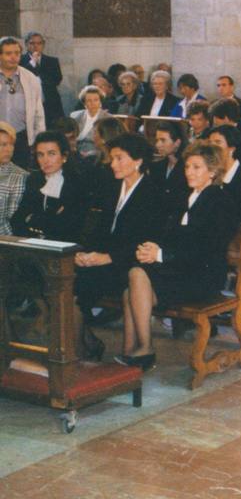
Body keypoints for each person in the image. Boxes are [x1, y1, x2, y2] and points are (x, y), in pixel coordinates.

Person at [120, 141, 239, 370]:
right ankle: (130, 351)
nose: (189, 172)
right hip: (181, 269)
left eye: (196, 167)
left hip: (203, 277)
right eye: (187, 167)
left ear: (212, 172)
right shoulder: (187, 197)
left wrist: (162, 255)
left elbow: (206, 248)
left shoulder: (221, 202)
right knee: (131, 287)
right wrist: (153, 248)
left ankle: (145, 348)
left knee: (136, 275)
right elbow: (171, 236)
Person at [73, 133, 161, 360]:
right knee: (68, 282)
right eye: (112, 158)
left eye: (119, 158)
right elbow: (101, 229)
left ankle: (86, 349)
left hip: (130, 262)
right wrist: (86, 252)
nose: (113, 164)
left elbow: (144, 240)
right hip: (108, 259)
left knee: (85, 284)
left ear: (138, 160)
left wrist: (107, 257)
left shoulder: (153, 192)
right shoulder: (112, 186)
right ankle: (83, 345)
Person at [12, 130, 88, 242]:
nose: (45, 160)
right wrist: (52, 218)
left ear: (64, 156)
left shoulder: (76, 182)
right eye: (40, 155)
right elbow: (17, 219)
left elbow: (70, 226)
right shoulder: (34, 179)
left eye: (51, 153)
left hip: (64, 247)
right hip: (31, 243)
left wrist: (33, 219)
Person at [0, 36, 45, 167]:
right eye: (8, 53)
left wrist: (39, 141)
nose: (13, 57)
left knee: (21, 177)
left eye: (17, 53)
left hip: (21, 138)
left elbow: (38, 114)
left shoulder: (31, 78)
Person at [20, 32, 63, 121]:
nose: (36, 46)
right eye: (32, 43)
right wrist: (32, 63)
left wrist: (39, 77)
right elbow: (21, 77)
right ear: (26, 44)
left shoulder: (52, 61)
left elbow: (57, 79)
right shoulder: (20, 60)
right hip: (27, 104)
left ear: (43, 45)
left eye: (39, 43)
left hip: (49, 103)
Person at [149, 121, 188, 209]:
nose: (157, 145)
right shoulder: (155, 167)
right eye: (157, 140)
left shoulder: (188, 169)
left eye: (163, 140)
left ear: (177, 142)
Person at [71, 84, 112, 161]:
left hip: (96, 155)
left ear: (100, 102)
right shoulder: (75, 116)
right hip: (76, 154)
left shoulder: (107, 118)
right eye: (89, 100)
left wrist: (92, 153)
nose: (93, 103)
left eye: (96, 100)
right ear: (84, 103)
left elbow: (108, 144)